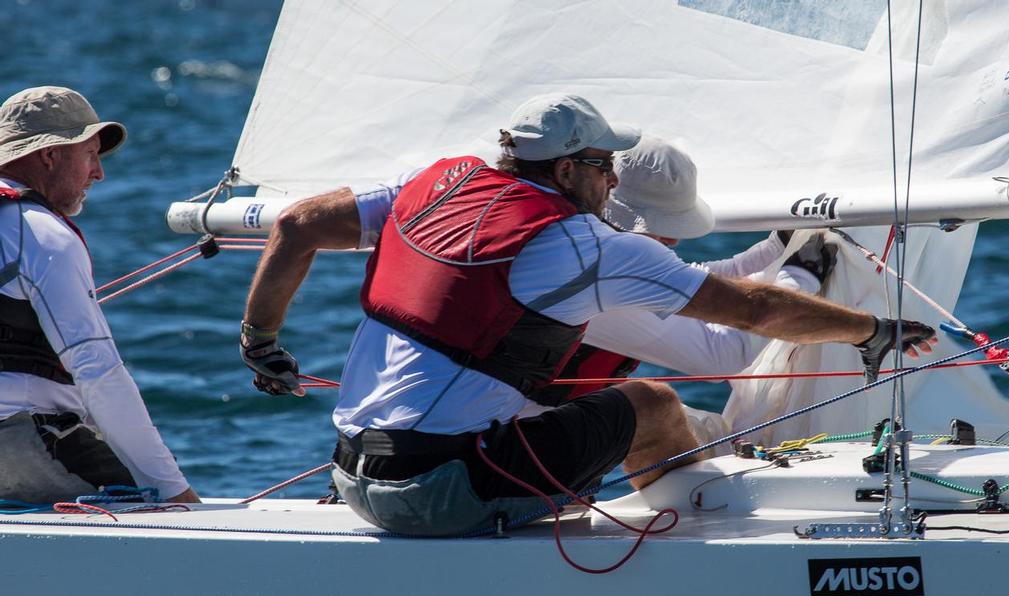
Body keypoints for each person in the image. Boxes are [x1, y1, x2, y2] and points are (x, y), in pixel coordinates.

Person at [240, 92, 934, 536]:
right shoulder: (582, 244)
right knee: (653, 405)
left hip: (352, 474)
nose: (612, 180)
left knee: (578, 414)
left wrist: (260, 340)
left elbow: (298, 224)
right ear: (570, 171)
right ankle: (687, 557)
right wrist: (870, 330)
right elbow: (748, 311)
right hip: (441, 493)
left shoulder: (436, 180)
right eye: (605, 166)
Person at [526, 135, 836, 412]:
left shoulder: (583, 242)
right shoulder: (598, 276)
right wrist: (799, 279)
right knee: (656, 407)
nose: (674, 240)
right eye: (663, 225)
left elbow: (691, 281)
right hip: (520, 444)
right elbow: (720, 358)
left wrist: (773, 249)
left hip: (537, 421)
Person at [0, 86, 199, 504]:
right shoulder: (40, 235)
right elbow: (97, 371)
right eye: (90, 155)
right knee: (151, 498)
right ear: (49, 155)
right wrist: (175, 493)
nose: (99, 173)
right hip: (16, 444)